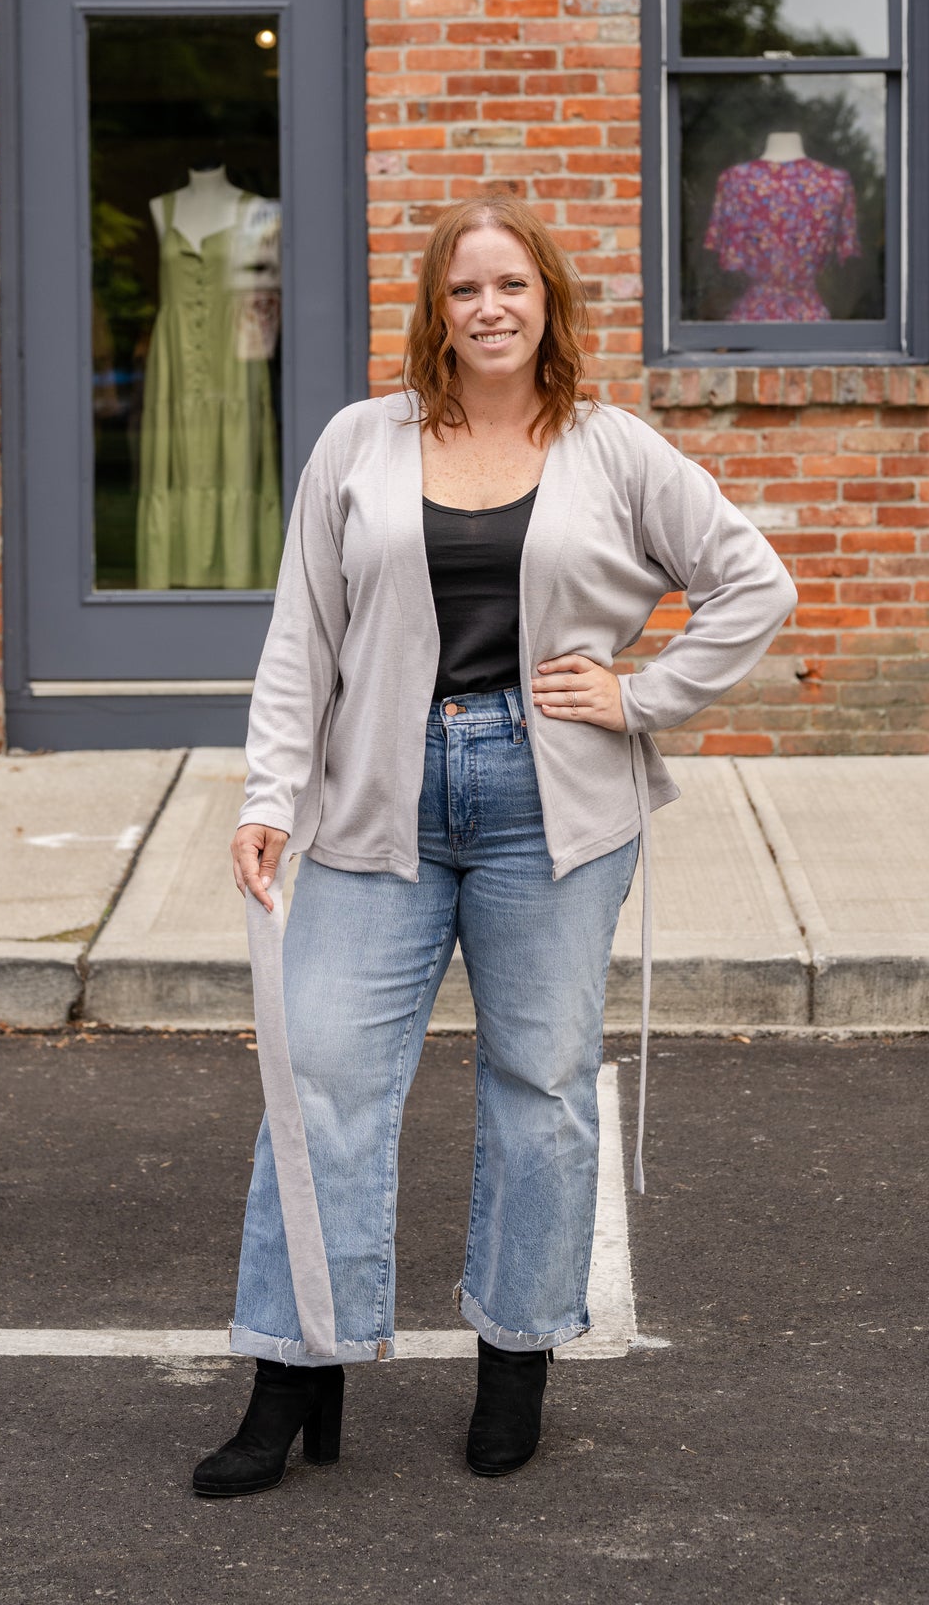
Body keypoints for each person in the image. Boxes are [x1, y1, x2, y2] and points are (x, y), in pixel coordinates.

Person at [192, 195, 798, 1497]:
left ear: (547, 300)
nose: (489, 308)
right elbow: (300, 637)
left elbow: (753, 582)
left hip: (550, 803)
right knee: (322, 1087)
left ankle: (515, 1359)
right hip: (376, 800)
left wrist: (641, 696)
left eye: (511, 285)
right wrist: (265, 795)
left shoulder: (611, 449)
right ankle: (294, 1376)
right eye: (464, 289)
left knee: (541, 1091)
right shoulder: (359, 443)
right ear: (434, 309)